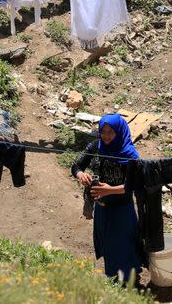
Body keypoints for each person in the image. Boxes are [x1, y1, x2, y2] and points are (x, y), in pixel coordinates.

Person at [71, 113, 146, 283]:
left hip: (122, 208)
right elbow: (76, 165)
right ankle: (116, 277)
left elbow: (134, 184)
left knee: (124, 245)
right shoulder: (95, 147)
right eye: (103, 132)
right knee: (108, 244)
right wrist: (81, 174)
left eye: (110, 132)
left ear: (119, 132)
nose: (106, 136)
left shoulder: (129, 153)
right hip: (102, 207)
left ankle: (131, 282)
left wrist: (110, 190)